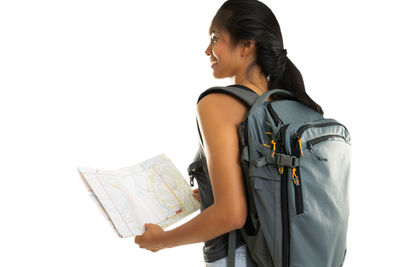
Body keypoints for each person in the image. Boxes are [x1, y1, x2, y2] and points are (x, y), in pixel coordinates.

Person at [134, 1, 324, 266]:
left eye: (215, 38)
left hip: (240, 256)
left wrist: (161, 240)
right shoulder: (289, 104)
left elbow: (232, 214)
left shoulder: (216, 103)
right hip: (290, 256)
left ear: (247, 44)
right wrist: (216, 188)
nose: (207, 50)